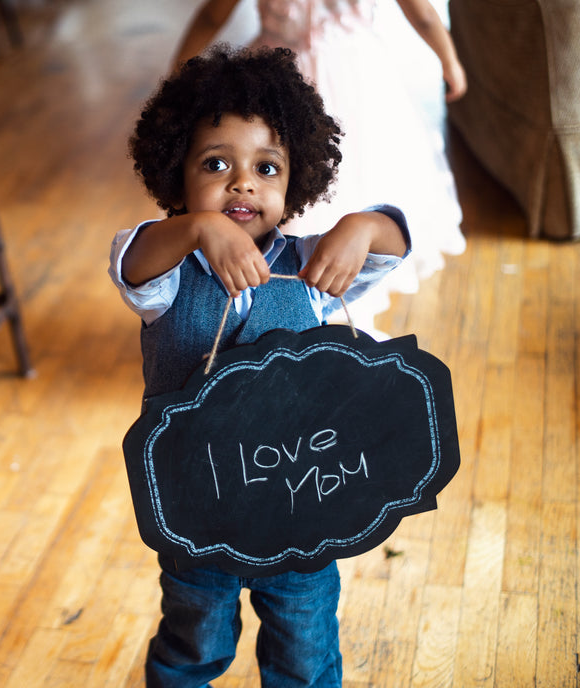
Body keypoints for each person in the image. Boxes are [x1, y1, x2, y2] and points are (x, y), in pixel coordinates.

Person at [108, 45, 410, 686]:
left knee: (304, 650)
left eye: (266, 167)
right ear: (177, 175)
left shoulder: (311, 265)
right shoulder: (165, 272)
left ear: (295, 180)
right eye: (216, 164)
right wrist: (197, 231)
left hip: (304, 507)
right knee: (193, 642)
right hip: (197, 515)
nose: (242, 183)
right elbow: (131, 260)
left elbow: (393, 245)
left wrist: (361, 225)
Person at [171, 0, 466, 337]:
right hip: (291, 80)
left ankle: (318, 300)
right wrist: (449, 59)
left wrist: (179, 68)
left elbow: (212, 14)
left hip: (340, 81)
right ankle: (261, 302)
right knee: (266, 185)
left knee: (335, 179)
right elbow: (423, 13)